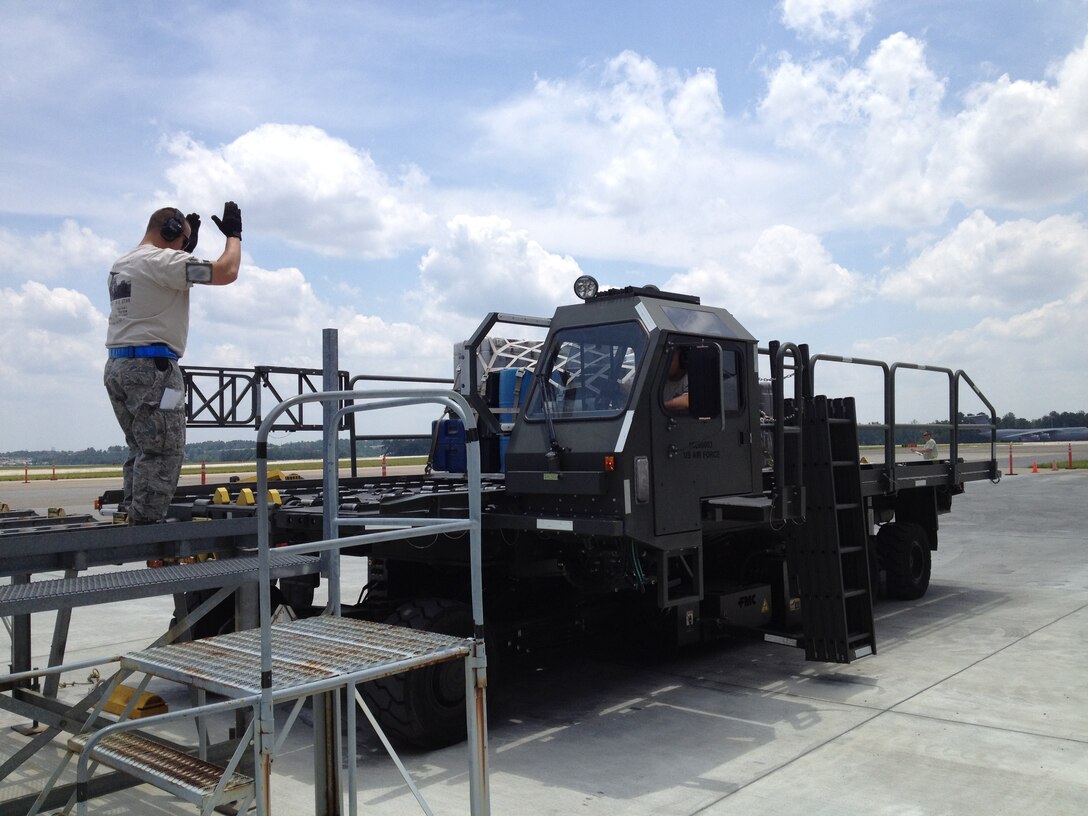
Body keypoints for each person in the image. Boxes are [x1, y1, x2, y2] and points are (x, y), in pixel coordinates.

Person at [104, 202, 242, 523]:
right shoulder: (163, 261)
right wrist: (233, 236)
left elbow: (167, 273)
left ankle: (131, 513)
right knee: (164, 451)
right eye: (183, 242)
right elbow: (226, 271)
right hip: (153, 369)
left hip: (118, 367)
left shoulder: (122, 263)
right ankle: (145, 529)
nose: (184, 250)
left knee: (141, 448)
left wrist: (182, 248)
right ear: (171, 233)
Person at [662, 347, 689, 411]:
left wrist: (662, 405)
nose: (664, 362)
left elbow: (687, 400)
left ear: (682, 359)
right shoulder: (658, 379)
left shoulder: (690, 377)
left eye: (669, 358)